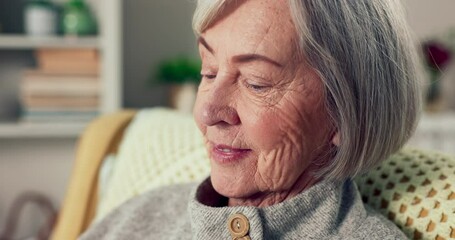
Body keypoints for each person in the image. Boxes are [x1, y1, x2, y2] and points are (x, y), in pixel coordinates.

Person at [81, 0, 420, 239]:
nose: (206, 112)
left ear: (347, 114)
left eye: (257, 82)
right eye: (209, 71)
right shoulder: (142, 214)